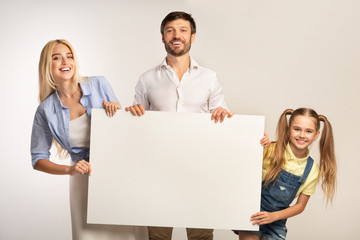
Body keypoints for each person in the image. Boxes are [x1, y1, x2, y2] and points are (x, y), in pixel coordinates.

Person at [125, 11, 232, 240]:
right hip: (159, 170)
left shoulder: (210, 77)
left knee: (201, 236)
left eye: (183, 30)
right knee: (159, 236)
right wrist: (133, 114)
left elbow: (220, 121)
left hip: (200, 169)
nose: (177, 35)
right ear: (162, 37)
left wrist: (221, 113)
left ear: (193, 36)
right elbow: (137, 127)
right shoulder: (146, 79)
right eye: (170, 30)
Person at [30, 39, 145, 240]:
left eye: (69, 56)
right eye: (56, 58)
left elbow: (121, 130)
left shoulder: (98, 83)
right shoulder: (45, 110)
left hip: (115, 173)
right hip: (82, 181)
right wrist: (70, 170)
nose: (65, 62)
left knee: (126, 234)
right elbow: (38, 159)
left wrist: (116, 110)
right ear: (47, 66)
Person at [234, 108, 337, 240]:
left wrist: (274, 216)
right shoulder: (271, 150)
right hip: (253, 214)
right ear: (289, 129)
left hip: (277, 221)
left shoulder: (312, 169)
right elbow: (244, 164)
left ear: (316, 135)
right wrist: (257, 142)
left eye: (308, 131)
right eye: (297, 129)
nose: (302, 135)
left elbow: (300, 206)